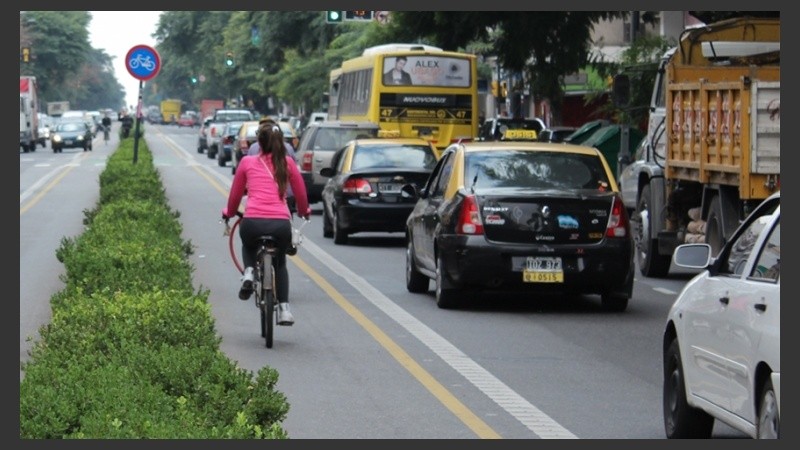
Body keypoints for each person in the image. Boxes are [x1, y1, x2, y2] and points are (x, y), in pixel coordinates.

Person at [222, 121, 311, 326]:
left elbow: (235, 196)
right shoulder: (287, 163)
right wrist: (305, 211)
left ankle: (249, 272)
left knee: (248, 245)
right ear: (280, 142)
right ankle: (284, 310)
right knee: (280, 262)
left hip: (252, 222)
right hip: (280, 225)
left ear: (258, 144)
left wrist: (228, 212)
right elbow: (301, 194)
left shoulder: (246, 162)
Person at [249, 117, 298, 220]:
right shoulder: (288, 150)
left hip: (258, 202)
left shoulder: (253, 149)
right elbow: (297, 180)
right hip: (286, 200)